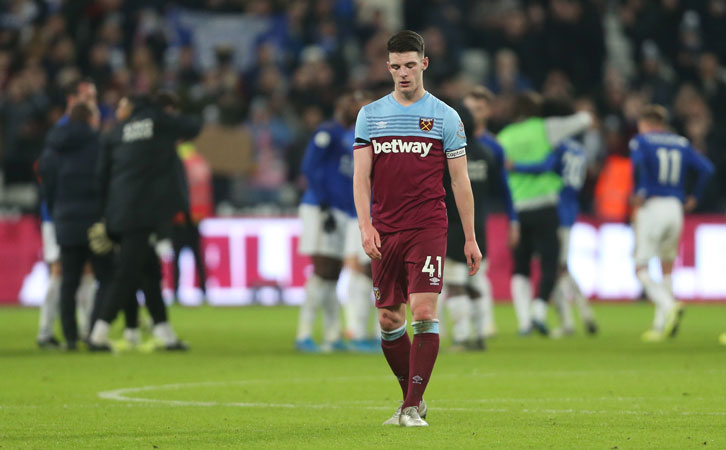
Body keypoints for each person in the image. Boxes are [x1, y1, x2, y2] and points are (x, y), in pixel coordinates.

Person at [353, 30, 481, 427]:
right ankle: (413, 399)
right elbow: (361, 177)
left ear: (424, 63)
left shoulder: (445, 116)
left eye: (410, 65)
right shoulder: (370, 115)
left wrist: (471, 237)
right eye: (396, 67)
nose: (403, 73)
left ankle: (409, 407)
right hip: (386, 230)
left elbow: (460, 181)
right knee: (390, 321)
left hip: (427, 225)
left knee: (424, 311)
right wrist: (365, 226)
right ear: (387, 67)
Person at [87, 93, 202, 351]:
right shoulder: (158, 122)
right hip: (145, 212)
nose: (119, 108)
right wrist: (166, 116)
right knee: (127, 272)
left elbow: (101, 176)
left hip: (119, 212)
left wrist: (105, 215)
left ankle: (165, 334)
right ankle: (98, 334)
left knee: (150, 272)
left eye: (122, 104)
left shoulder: (115, 132)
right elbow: (194, 126)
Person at [497, 93, 592, 336]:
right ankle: (542, 312)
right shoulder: (547, 129)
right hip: (548, 206)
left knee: (521, 267)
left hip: (517, 209)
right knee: (552, 264)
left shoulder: (503, 137)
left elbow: (499, 173)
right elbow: (584, 120)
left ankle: (524, 322)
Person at [441, 86, 518, 350]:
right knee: (473, 282)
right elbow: (501, 190)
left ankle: (461, 337)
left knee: (454, 281)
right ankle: (479, 333)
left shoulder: (448, 155)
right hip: (478, 227)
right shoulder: (487, 154)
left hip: (451, 225)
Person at [630, 105, 714, 342]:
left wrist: (639, 191)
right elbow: (707, 169)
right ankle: (660, 326)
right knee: (667, 266)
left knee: (641, 267)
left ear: (647, 123)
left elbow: (637, 164)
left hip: (653, 206)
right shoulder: (681, 142)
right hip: (676, 208)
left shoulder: (641, 141)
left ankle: (669, 306)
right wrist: (694, 195)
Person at [38, 102, 115, 350]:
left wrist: (58, 209)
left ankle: (70, 338)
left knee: (68, 281)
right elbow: (107, 180)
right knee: (106, 277)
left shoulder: (54, 146)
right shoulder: (99, 143)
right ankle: (93, 333)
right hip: (93, 221)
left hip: (65, 219)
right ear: (91, 119)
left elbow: (46, 184)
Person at [295, 93, 365, 353]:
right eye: (350, 104)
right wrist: (323, 203)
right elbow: (309, 167)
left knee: (333, 275)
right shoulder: (327, 132)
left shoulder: (353, 137)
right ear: (339, 106)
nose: (354, 108)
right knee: (323, 270)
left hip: (341, 211)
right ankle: (304, 333)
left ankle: (333, 334)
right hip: (319, 208)